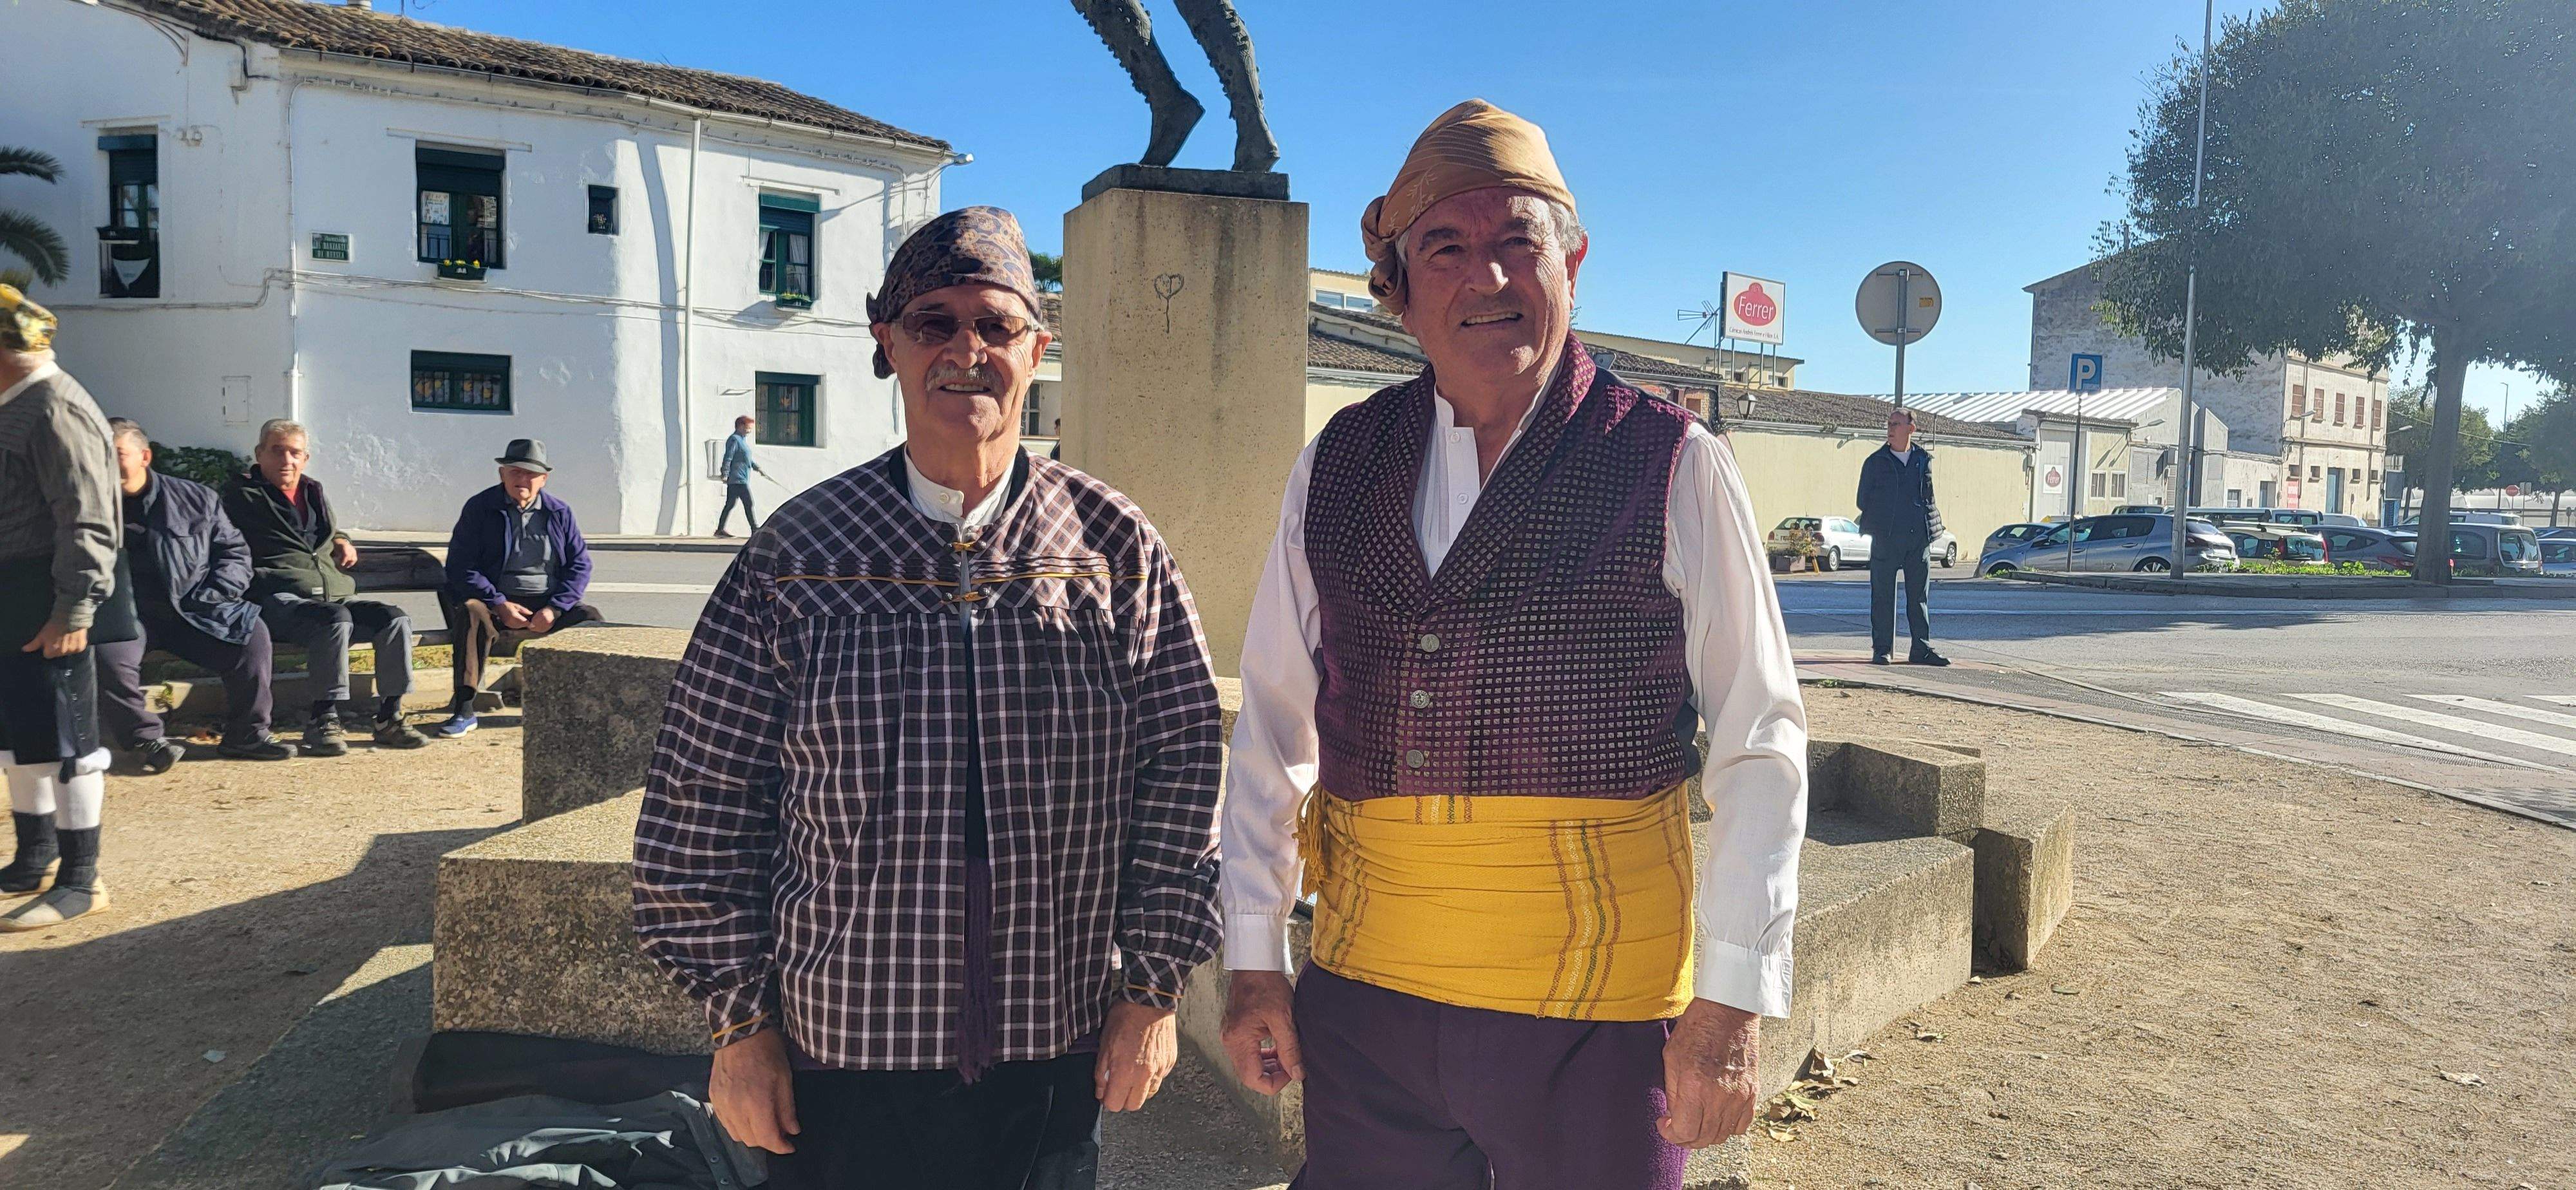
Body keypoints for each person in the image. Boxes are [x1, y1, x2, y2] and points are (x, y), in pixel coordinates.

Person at [1217, 100, 1811, 1190]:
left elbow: (1760, 739)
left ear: (1573, 261)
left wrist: (1728, 1000)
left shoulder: (1673, 461)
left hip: (1599, 1020)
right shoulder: (1337, 460)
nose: (1486, 279)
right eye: (1446, 248)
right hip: (1367, 1007)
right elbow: (1273, 723)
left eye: (1515, 243)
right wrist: (1255, 956)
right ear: (1397, 286)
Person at [634, 206, 1223, 1190]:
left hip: (1054, 1040)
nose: (966, 350)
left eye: (996, 324)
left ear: (1038, 347)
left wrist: (1153, 989)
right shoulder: (802, 555)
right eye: (934, 322)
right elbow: (702, 798)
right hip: (845, 1044)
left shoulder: (1111, 548)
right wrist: (740, 1024)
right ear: (887, 345)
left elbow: (1186, 773)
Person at [0, 285, 120, 929]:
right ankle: (33, 858)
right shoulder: (16, 402)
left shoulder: (54, 406)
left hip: (48, 592)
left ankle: (81, 879)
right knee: (23, 739)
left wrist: (74, 608)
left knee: (70, 741)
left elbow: (86, 517)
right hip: (14, 592)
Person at [93, 419, 294, 768]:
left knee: (252, 636)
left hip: (195, 608)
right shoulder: (82, 503)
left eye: (117, 454)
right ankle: (146, 741)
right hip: (126, 615)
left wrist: (216, 594)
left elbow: (234, 553)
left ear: (144, 457)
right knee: (108, 657)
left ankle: (248, 735)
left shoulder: (195, 498)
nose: (107, 463)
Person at [222, 419, 431, 754]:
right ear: (260, 454)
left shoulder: (312, 491)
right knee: (334, 620)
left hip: (333, 594)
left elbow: (324, 531)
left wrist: (342, 538)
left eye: (295, 453)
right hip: (278, 600)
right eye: (277, 451)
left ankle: (389, 717)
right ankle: (323, 719)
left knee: (393, 618)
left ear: (305, 458)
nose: (286, 460)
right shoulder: (240, 497)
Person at [435, 439, 600, 738]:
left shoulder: (559, 512)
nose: (522, 480)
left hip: (546, 603)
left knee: (589, 619)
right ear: (502, 475)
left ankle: (584, 708)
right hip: (495, 603)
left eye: (530, 474)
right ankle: (464, 709)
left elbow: (580, 565)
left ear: (544, 479)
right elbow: (460, 566)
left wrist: (555, 608)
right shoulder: (481, 508)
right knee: (471, 612)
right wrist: (499, 603)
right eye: (515, 472)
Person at [1855, 407, 1949, 666]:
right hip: (1886, 539)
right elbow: (1862, 500)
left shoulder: (1922, 460)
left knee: (1918, 597)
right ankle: (1882, 649)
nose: (1891, 428)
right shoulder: (1876, 462)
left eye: (1897, 424)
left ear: (1911, 429)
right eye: (1889, 424)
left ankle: (1921, 649)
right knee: (1883, 596)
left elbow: (1928, 498)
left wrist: (1929, 530)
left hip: (1918, 540)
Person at [715, 415, 764, 538]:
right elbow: (729, 457)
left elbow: (746, 459)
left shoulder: (742, 441)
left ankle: (720, 529)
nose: (750, 430)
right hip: (737, 479)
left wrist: (756, 467)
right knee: (749, 502)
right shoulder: (734, 440)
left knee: (730, 504)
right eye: (748, 427)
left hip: (741, 478)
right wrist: (725, 473)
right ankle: (755, 529)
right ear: (741, 426)